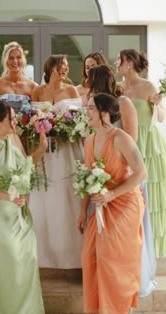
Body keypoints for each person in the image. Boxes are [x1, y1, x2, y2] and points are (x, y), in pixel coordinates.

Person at [87, 64, 156, 297]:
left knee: (126, 241)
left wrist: (114, 179)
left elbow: (131, 140)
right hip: (102, 179)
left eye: (92, 82)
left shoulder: (123, 103)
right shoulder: (94, 110)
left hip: (123, 178)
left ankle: (130, 283)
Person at [0, 99, 47, 314]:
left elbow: (25, 165)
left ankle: (27, 310)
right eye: (12, 118)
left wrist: (41, 149)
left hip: (18, 209)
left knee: (27, 257)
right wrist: (8, 197)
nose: (16, 121)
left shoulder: (13, 139)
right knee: (8, 261)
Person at [78, 93, 146, 314]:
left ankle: (119, 309)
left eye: (90, 108)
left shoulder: (121, 138)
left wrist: (112, 194)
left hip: (125, 203)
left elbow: (141, 173)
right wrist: (82, 212)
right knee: (89, 257)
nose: (86, 112)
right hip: (100, 205)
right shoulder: (89, 140)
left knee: (111, 258)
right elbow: (88, 179)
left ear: (104, 112)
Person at [29, 54, 84, 269]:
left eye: (67, 66)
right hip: (45, 151)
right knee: (44, 196)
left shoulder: (71, 91)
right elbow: (33, 119)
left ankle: (71, 255)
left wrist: (64, 128)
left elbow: (78, 120)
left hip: (66, 148)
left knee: (66, 193)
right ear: (51, 68)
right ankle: (44, 255)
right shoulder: (38, 91)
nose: (66, 70)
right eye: (62, 66)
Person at [115, 48, 166, 257]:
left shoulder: (148, 86)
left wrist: (157, 104)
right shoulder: (117, 88)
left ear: (128, 63)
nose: (116, 63)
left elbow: (161, 118)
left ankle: (151, 251)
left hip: (148, 145)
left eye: (119, 60)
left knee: (150, 195)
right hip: (127, 142)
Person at [0, 41, 37, 112]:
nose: (15, 61)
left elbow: (37, 114)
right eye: (11, 58)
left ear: (23, 60)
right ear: (5, 61)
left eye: (18, 57)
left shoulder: (33, 86)